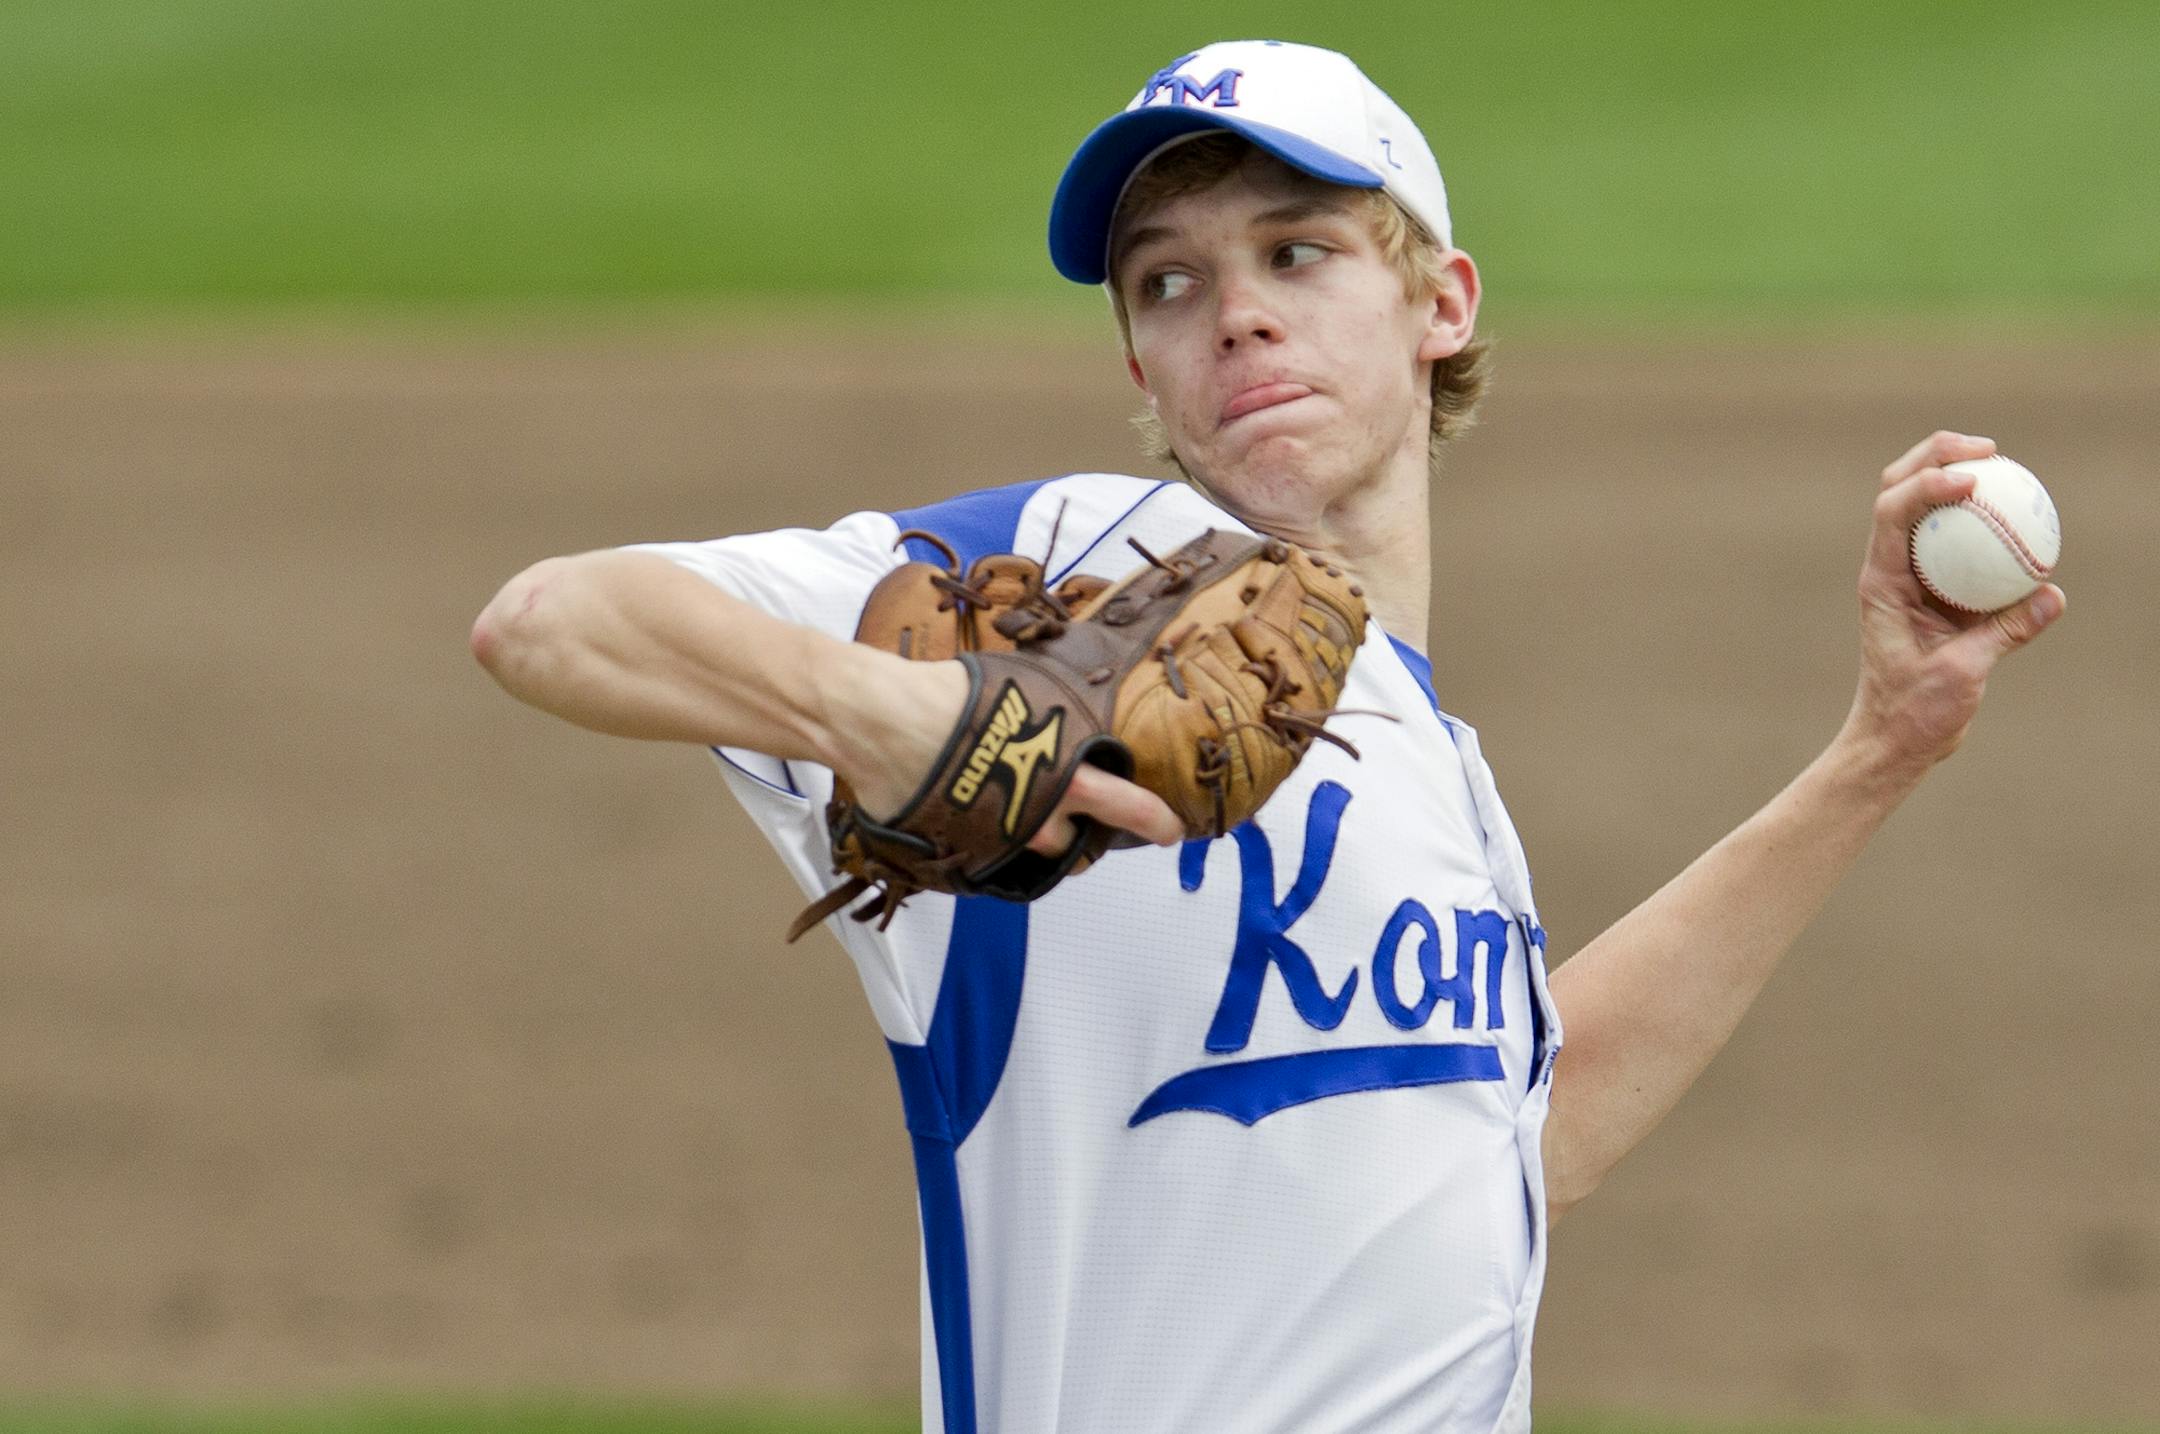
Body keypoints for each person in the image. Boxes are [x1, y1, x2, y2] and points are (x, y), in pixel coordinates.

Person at [470, 39, 2064, 1434]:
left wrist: (1880, 751)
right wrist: (879, 711)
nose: (1235, 318)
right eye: (1171, 283)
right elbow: (549, 617)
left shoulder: (1445, 770)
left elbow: (1516, 1137)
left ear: (1440, 302)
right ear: (1139, 368)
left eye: (1297, 256)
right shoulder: (1068, 562)